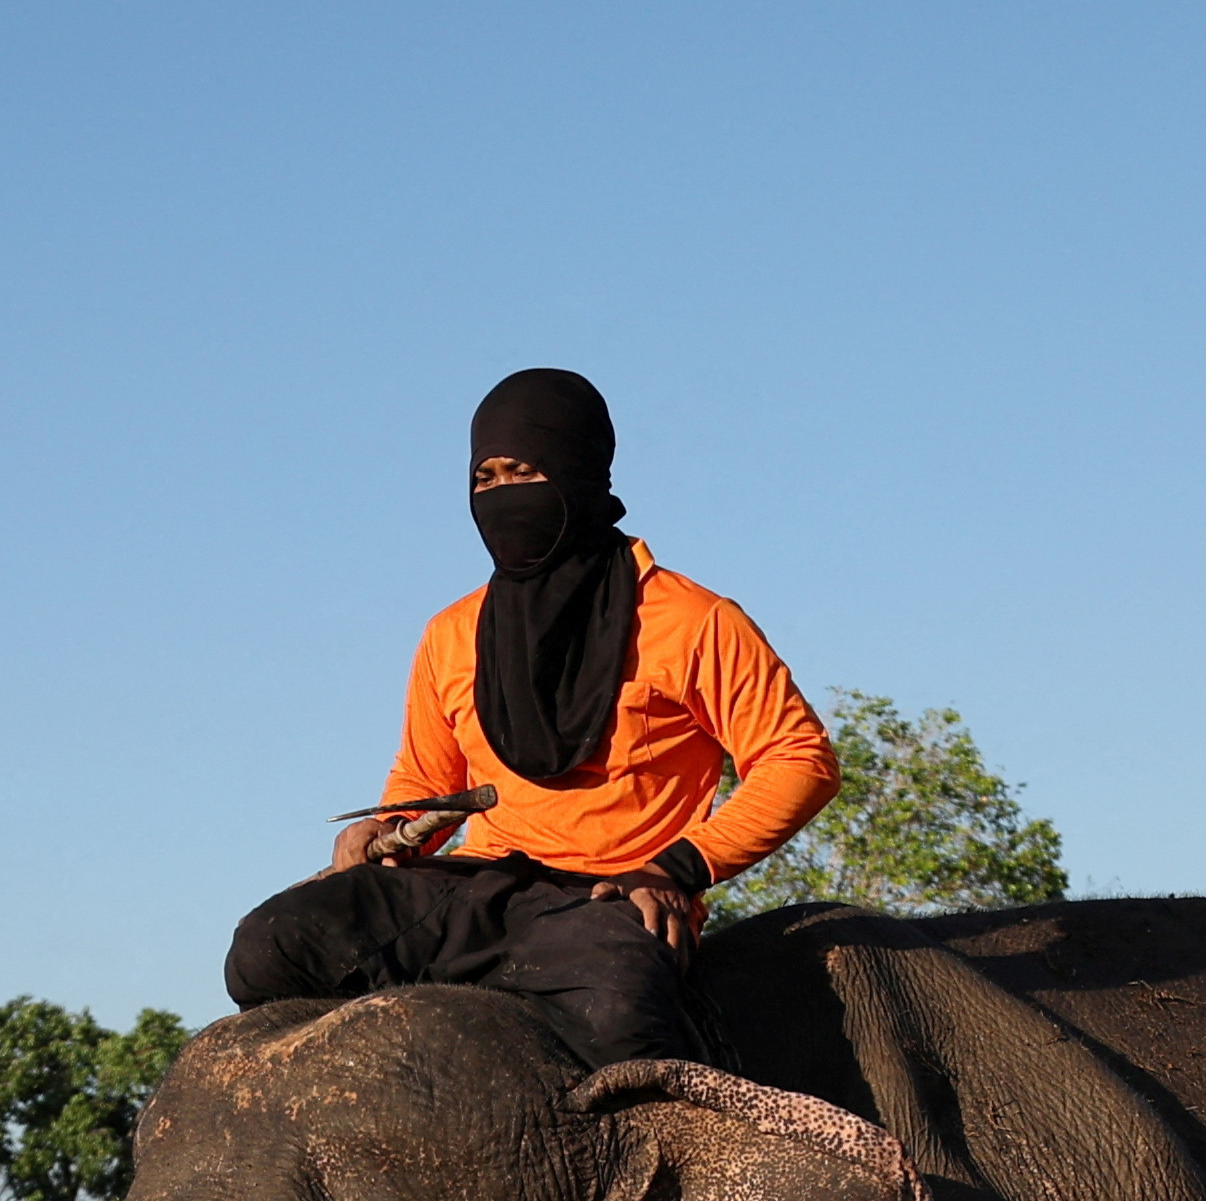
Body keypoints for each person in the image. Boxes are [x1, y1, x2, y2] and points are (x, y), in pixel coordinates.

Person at [220, 367, 837, 1065]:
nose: (502, 493)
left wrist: (678, 869)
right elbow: (427, 781)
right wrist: (388, 832)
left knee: (618, 1017)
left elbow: (799, 760)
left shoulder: (695, 621)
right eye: (485, 477)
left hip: (603, 903)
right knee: (267, 946)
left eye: (524, 471)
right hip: (472, 890)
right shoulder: (452, 633)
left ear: (580, 473)